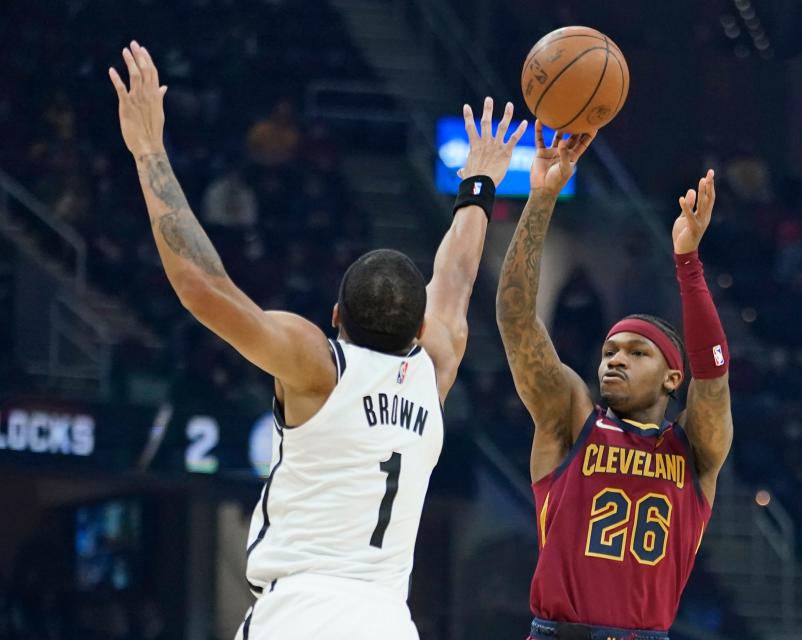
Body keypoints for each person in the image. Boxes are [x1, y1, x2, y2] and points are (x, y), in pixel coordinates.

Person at [108, 40, 528, 640]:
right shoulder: (435, 368)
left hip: (300, 613)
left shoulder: (318, 368)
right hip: (389, 620)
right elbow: (455, 282)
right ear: (417, 329)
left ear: (335, 316)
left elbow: (204, 287)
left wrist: (148, 150)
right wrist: (480, 184)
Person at [496, 121, 733, 639]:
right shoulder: (570, 418)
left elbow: (713, 372)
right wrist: (541, 197)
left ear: (674, 376)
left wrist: (688, 264)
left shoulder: (694, 450)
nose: (614, 360)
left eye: (635, 352)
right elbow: (516, 318)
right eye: (608, 351)